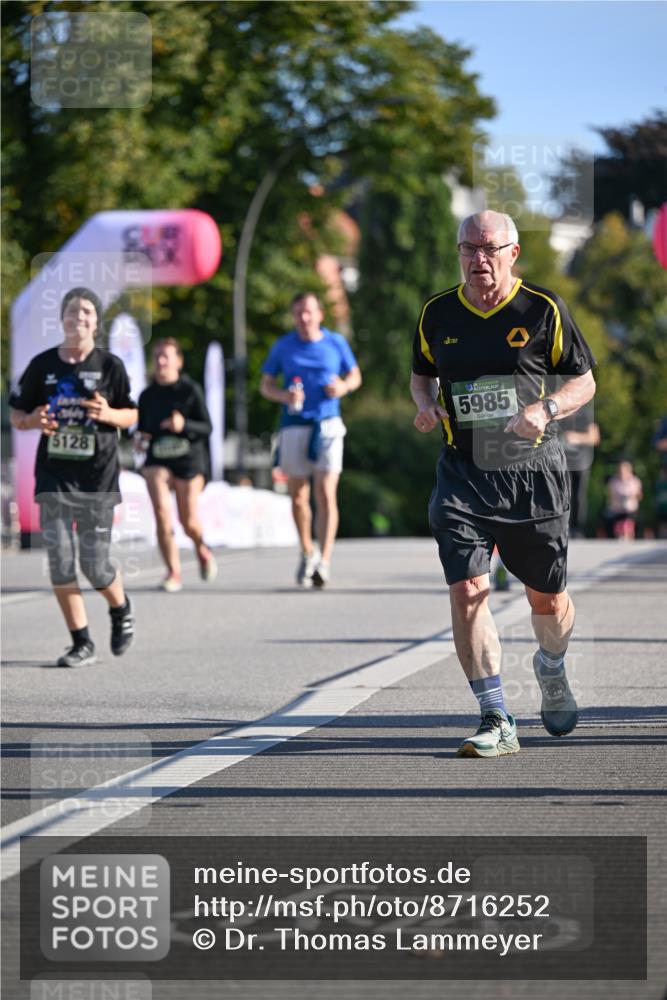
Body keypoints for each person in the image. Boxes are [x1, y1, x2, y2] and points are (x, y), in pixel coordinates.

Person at [411, 211, 596, 758]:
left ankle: (552, 666)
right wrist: (424, 405)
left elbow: (583, 380)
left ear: (513, 253)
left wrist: (547, 408)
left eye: (490, 249)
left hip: (530, 473)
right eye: (469, 249)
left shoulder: (543, 309)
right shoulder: (437, 312)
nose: (479, 259)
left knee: (548, 599)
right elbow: (423, 372)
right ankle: (495, 714)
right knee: (468, 589)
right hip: (463, 469)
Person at [9, 287, 137, 667]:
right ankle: (81, 642)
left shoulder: (111, 366)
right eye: (71, 311)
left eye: (86, 312)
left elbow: (131, 414)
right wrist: (33, 421)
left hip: (98, 479)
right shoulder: (43, 365)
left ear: (96, 322)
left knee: (95, 565)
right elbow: (18, 414)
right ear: (62, 319)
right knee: (61, 562)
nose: (78, 317)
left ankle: (120, 606)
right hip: (54, 477)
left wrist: (108, 414)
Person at [260, 292, 362, 588]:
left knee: (326, 492)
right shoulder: (284, 346)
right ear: (294, 317)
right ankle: (307, 550)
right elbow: (265, 385)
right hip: (293, 424)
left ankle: (324, 561)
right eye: (298, 314)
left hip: (328, 424)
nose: (304, 318)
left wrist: (342, 387)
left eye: (308, 312)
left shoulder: (335, 343)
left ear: (319, 314)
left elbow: (355, 376)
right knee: (299, 495)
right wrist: (283, 395)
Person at [136, 338, 216, 592]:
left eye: (166, 356)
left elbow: (207, 427)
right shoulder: (147, 395)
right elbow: (142, 430)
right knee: (161, 512)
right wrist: (138, 439)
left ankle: (201, 546)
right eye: (157, 356)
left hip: (188, 460)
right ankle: (173, 571)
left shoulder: (190, 390)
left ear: (178, 361)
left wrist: (184, 426)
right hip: (158, 459)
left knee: (188, 520)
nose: (160, 361)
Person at [559, 401, 600, 537]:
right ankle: (562, 527)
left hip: (581, 462)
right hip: (562, 462)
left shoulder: (585, 413)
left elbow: (595, 437)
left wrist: (577, 437)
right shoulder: (558, 411)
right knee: (562, 495)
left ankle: (577, 529)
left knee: (578, 496)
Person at [604, 459, 643, 539]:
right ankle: (620, 535)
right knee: (615, 521)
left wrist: (631, 496)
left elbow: (639, 495)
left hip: (630, 510)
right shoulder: (613, 481)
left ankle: (628, 535)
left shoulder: (635, 481)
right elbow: (610, 496)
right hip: (617, 510)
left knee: (629, 521)